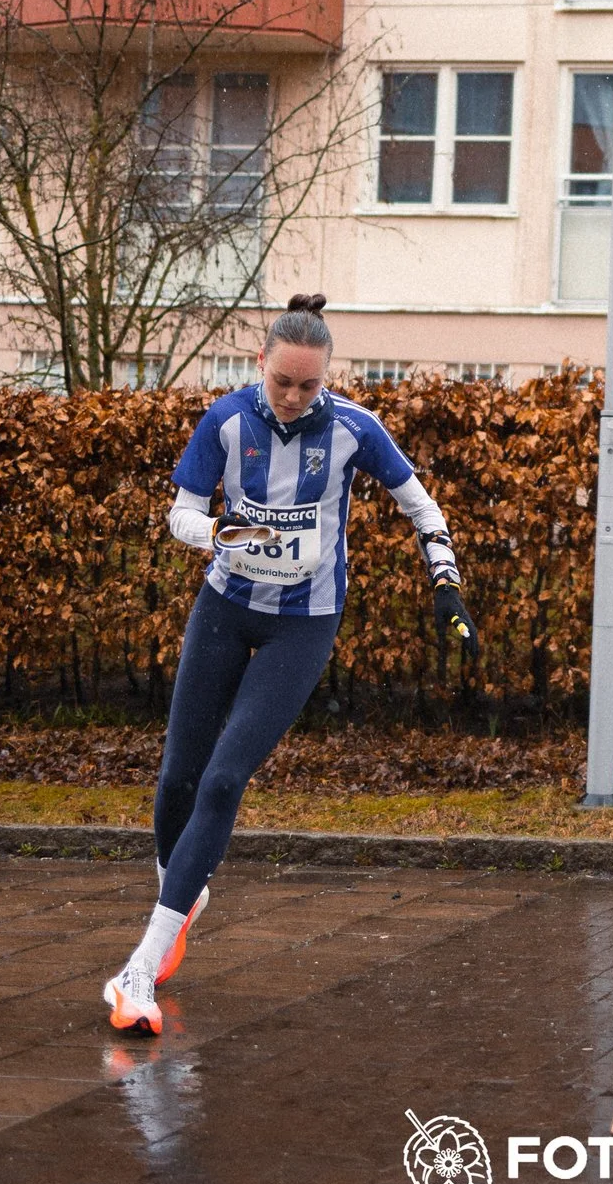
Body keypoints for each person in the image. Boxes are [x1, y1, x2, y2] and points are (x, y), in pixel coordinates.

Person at [104, 294, 476, 1034]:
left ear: (326, 378)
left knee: (222, 778)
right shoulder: (226, 419)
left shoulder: (353, 430)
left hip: (302, 625)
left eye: (309, 385)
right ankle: (183, 888)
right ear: (261, 366)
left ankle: (140, 966)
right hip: (225, 608)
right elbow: (179, 513)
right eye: (283, 382)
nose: (294, 397)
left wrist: (446, 582)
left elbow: (423, 507)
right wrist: (221, 532)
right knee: (178, 776)